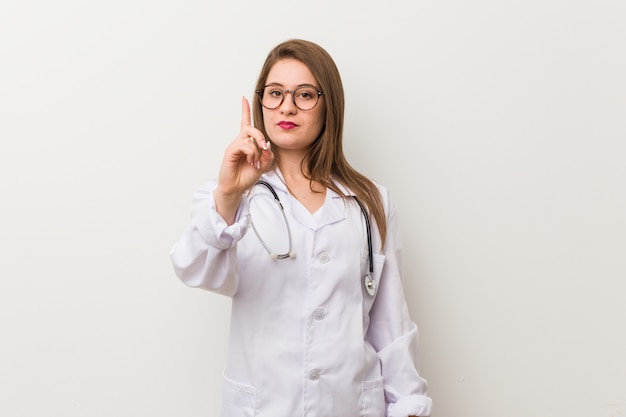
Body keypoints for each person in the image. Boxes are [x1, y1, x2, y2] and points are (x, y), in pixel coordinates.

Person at [170, 39, 432, 417]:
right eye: (275, 93)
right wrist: (228, 193)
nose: (287, 106)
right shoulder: (231, 198)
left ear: (330, 106)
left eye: (305, 94)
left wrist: (407, 406)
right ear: (260, 103)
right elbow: (193, 268)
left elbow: (390, 325)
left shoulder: (371, 202)